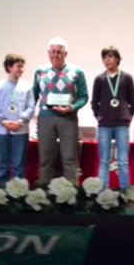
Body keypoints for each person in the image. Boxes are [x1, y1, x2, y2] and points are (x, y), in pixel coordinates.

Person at [33, 37, 88, 183]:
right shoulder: (40, 71)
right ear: (48, 52)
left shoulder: (77, 71)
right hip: (45, 118)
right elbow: (33, 96)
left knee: (69, 160)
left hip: (68, 118)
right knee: (45, 160)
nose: (55, 55)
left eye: (58, 52)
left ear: (65, 54)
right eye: (52, 52)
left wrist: (72, 107)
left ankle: (71, 193)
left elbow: (84, 96)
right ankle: (44, 193)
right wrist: (29, 116)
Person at [91, 46, 134, 188]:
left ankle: (125, 194)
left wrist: (128, 118)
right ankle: (102, 194)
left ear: (117, 59)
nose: (107, 60)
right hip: (104, 125)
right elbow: (94, 102)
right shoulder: (99, 79)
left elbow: (133, 102)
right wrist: (100, 117)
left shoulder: (126, 78)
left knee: (123, 161)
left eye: (110, 56)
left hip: (122, 125)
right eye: (104, 57)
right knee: (104, 161)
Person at [0, 53, 35, 185]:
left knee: (19, 165)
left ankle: (17, 192)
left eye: (22, 67)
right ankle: (1, 192)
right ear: (9, 67)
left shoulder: (27, 86)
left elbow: (31, 106)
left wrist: (20, 121)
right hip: (2, 130)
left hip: (20, 130)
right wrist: (3, 121)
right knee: (3, 165)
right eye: (18, 66)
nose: (21, 69)